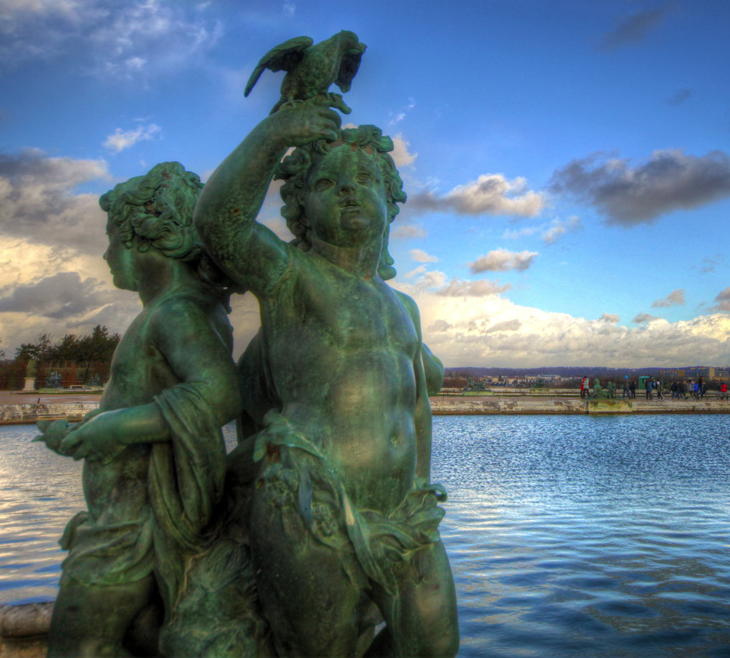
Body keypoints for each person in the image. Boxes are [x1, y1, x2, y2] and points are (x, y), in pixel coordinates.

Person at [196, 102, 458, 658]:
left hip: (402, 510)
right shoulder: (291, 277)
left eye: (365, 179)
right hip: (309, 503)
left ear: (389, 201)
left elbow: (416, 408)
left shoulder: (404, 306)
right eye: (328, 182)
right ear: (301, 208)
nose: (347, 190)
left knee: (434, 647)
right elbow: (219, 224)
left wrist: (421, 494)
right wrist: (274, 135)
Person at [37, 163, 241, 657]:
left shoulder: (177, 311)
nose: (107, 254)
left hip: (132, 533)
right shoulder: (175, 308)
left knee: (76, 647)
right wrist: (90, 428)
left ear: (148, 239)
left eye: (113, 238)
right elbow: (143, 398)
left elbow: (220, 393)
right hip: (131, 521)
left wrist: (115, 428)